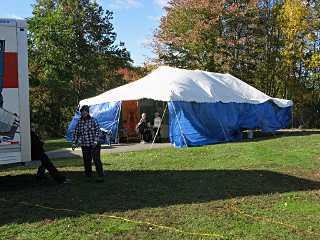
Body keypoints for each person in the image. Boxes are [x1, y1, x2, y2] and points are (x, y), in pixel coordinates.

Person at [30, 119, 71, 184]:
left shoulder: (32, 134)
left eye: (34, 126)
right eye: (32, 127)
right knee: (49, 166)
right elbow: (35, 145)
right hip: (37, 154)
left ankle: (40, 175)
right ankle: (61, 179)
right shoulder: (31, 135)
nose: (34, 128)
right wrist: (41, 143)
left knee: (45, 164)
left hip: (38, 153)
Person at [72, 105, 104, 182]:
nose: (84, 112)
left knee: (96, 159)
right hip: (84, 144)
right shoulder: (79, 122)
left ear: (88, 112)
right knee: (86, 160)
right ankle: (88, 176)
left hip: (94, 144)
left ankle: (100, 175)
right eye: (82, 111)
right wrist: (74, 143)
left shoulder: (93, 120)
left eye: (85, 111)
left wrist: (96, 141)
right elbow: (76, 133)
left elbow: (98, 131)